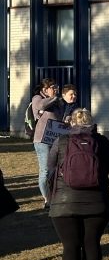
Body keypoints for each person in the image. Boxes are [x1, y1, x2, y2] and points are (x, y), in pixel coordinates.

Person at [48, 108, 109, 260]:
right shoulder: (101, 142)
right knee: (92, 243)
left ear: (71, 123)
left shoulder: (61, 142)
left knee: (70, 245)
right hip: (97, 200)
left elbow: (50, 168)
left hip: (64, 202)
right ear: (91, 123)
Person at [30, 78, 60, 206]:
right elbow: (41, 106)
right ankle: (47, 199)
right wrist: (54, 98)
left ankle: (54, 195)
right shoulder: (37, 98)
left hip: (55, 138)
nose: (55, 89)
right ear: (44, 89)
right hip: (42, 140)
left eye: (56, 86)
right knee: (45, 170)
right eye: (52, 87)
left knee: (55, 169)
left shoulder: (56, 101)